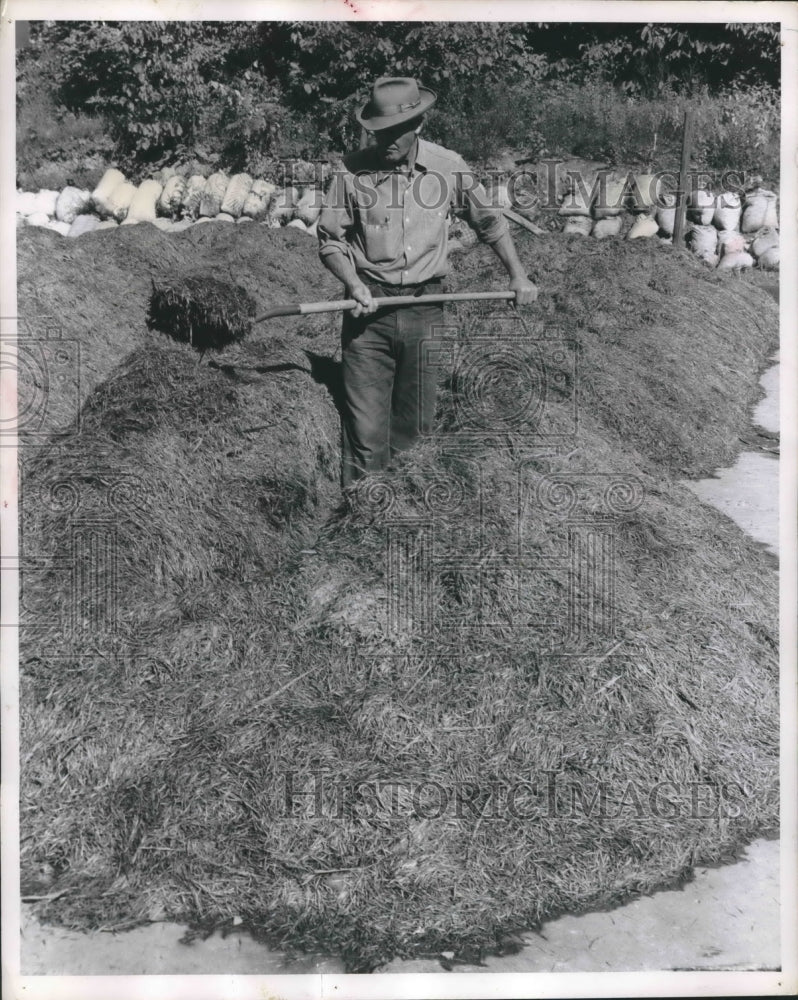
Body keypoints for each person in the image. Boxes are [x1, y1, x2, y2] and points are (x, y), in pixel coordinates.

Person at [317, 76, 538, 489]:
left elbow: (489, 221)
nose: (386, 141)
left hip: (425, 309)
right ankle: (361, 519)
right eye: (378, 132)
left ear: (418, 125)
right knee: (366, 434)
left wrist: (518, 275)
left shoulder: (448, 167)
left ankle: (407, 516)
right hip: (369, 314)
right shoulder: (350, 172)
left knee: (415, 429)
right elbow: (330, 240)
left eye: (396, 132)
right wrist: (352, 283)